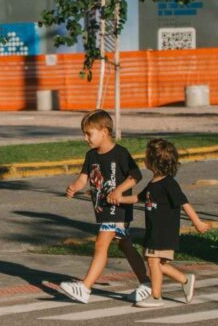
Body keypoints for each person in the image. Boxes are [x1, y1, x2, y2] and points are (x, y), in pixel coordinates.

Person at [60, 110, 151, 304]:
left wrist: (119, 191)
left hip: (117, 209)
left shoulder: (120, 153)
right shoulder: (91, 155)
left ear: (104, 132)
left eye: (89, 134)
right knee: (124, 245)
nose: (85, 138)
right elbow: (84, 176)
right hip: (103, 210)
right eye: (84, 134)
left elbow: (136, 175)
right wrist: (75, 187)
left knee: (101, 244)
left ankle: (85, 287)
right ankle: (146, 283)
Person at [119, 138, 209, 307]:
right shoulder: (153, 183)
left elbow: (184, 203)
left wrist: (197, 222)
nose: (143, 159)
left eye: (146, 156)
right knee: (157, 264)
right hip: (154, 231)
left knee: (153, 262)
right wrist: (120, 199)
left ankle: (156, 296)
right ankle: (185, 279)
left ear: (154, 162)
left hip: (163, 231)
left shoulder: (169, 184)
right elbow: (138, 197)